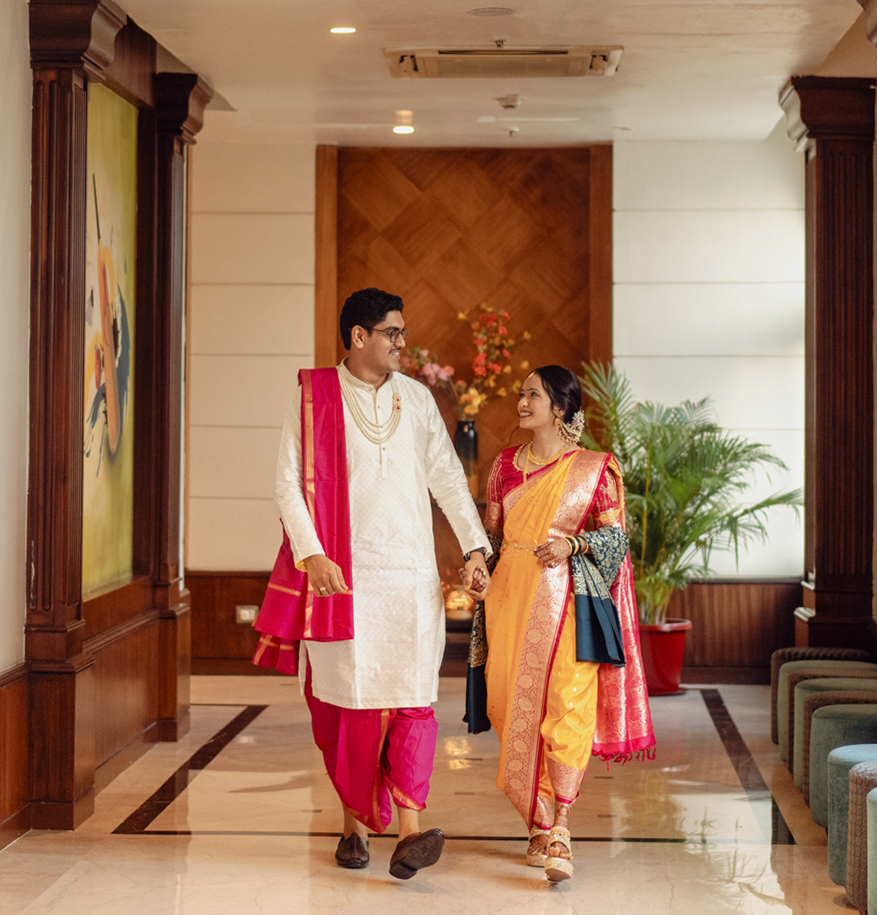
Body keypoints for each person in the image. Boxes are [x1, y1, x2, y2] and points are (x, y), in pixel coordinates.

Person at [251, 287, 492, 880]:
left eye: (402, 333)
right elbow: (287, 485)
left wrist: (475, 546)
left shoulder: (417, 398)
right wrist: (313, 556)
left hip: (410, 578)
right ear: (359, 336)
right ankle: (353, 825)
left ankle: (410, 832)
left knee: (413, 701)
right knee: (349, 707)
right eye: (392, 333)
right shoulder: (314, 398)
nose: (402, 343)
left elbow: (448, 479)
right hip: (342, 581)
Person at [466, 364, 655, 883]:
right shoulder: (504, 467)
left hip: (567, 602)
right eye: (522, 394)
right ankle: (537, 821)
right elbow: (492, 537)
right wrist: (477, 568)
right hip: (508, 600)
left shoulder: (595, 468)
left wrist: (573, 543)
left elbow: (616, 539)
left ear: (561, 408)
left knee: (568, 706)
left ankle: (562, 828)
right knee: (510, 708)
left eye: (534, 395)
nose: (523, 403)